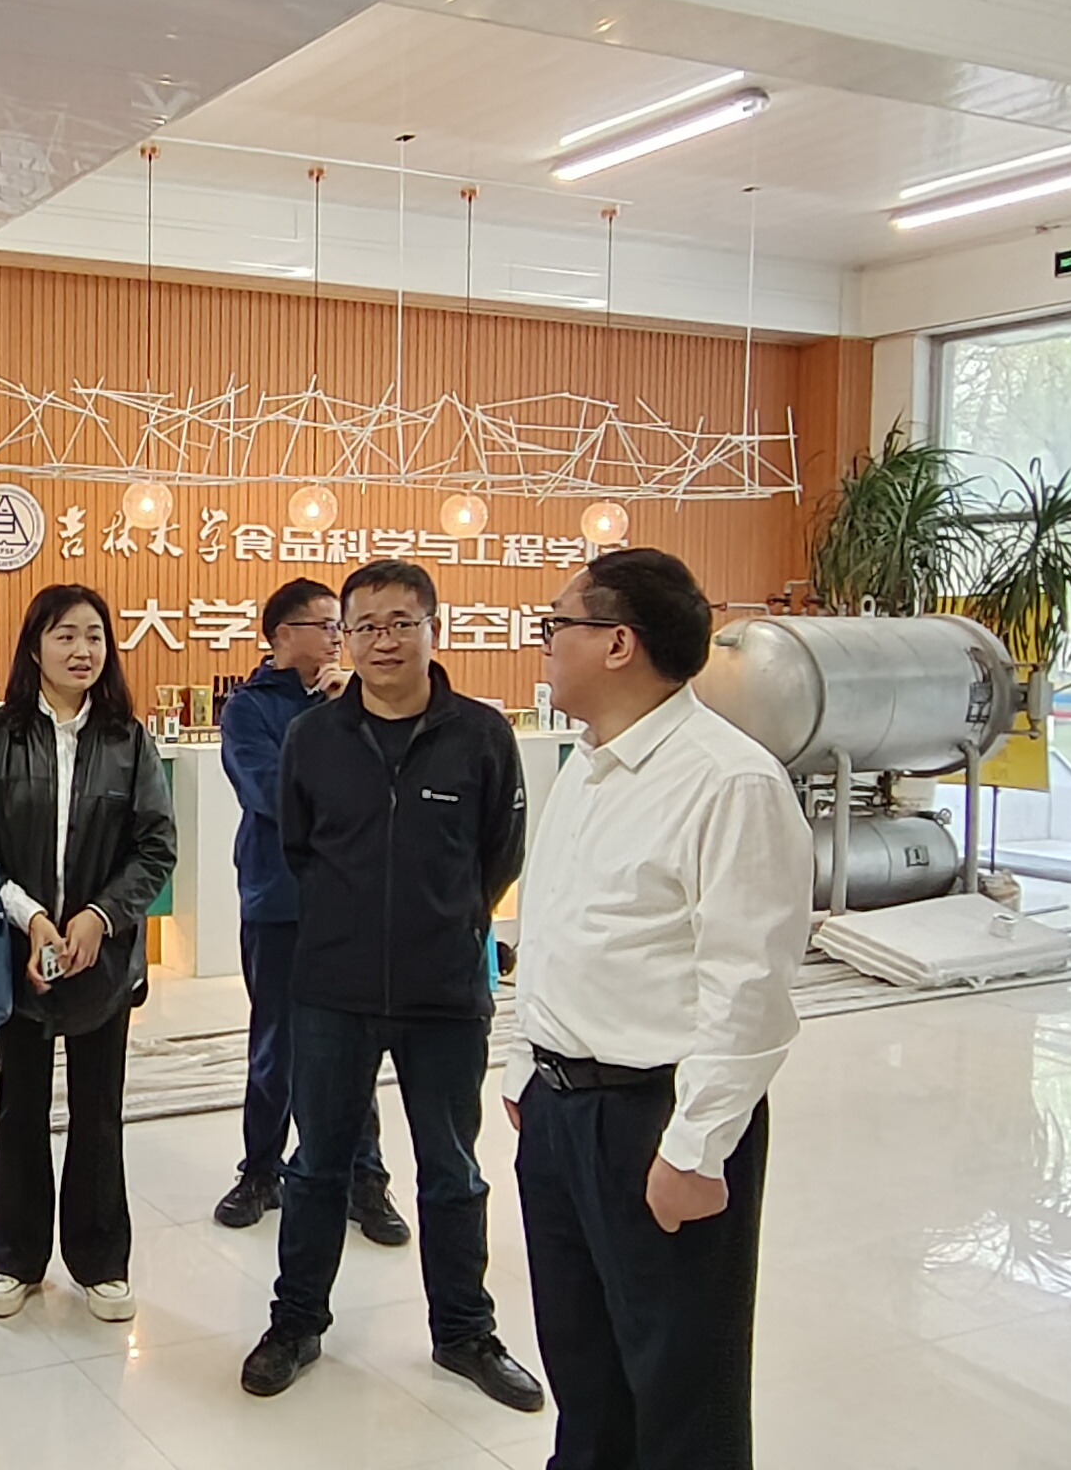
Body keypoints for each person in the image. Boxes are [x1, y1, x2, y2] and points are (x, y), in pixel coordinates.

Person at [510, 548, 807, 1470]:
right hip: (560, 1113)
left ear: (618, 643)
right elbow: (554, 927)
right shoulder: (588, 766)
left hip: (658, 1119)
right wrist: (528, 1068)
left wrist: (696, 1148)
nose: (544, 643)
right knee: (584, 1367)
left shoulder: (730, 781)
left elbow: (749, 988)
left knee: (681, 1388)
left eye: (557, 624)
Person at [245, 560, 541, 1412]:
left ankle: (465, 1333)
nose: (383, 641)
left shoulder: (482, 735)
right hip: (330, 989)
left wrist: (448, 919)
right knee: (317, 1169)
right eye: (365, 626)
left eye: (401, 623)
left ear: (432, 630)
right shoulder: (313, 738)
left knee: (453, 1171)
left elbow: (499, 856)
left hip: (444, 991)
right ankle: (296, 1323)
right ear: (345, 637)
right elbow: (301, 851)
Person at [0, 584, 179, 1323]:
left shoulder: (127, 740)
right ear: (35, 646)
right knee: (19, 1108)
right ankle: (14, 1258)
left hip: (102, 960)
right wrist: (33, 917)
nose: (83, 651)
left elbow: (155, 848)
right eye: (65, 636)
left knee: (98, 1111)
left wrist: (98, 918)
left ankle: (101, 1261)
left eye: (94, 636)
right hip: (20, 957)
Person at [214, 577, 407, 1247]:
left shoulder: (360, 701)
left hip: (350, 900)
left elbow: (385, 785)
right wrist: (331, 748)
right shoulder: (248, 709)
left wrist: (345, 713)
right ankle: (261, 1171)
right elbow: (270, 792)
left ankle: (364, 1178)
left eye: (338, 627)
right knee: (276, 1042)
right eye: (325, 626)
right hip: (278, 898)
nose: (336, 639)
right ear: (280, 635)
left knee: (355, 1043)